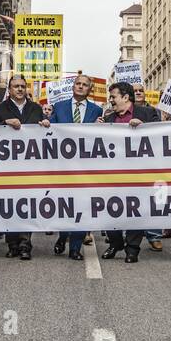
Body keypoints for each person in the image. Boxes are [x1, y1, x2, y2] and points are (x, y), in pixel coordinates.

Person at [99, 81, 159, 264]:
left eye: (113, 97)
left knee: (136, 212)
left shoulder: (148, 114)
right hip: (114, 175)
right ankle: (116, 243)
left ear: (125, 97)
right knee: (110, 210)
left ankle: (132, 249)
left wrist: (144, 128)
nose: (111, 101)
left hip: (140, 174)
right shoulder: (108, 119)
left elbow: (161, 136)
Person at [0, 74, 46, 260]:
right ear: (10, 89)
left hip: (29, 166)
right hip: (6, 167)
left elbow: (43, 131)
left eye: (22, 86)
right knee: (9, 205)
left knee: (27, 205)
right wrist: (4, 123)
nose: (20, 89)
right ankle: (12, 244)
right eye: (16, 86)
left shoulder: (36, 108)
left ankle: (25, 244)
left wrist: (45, 124)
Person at [48, 73, 103, 259]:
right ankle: (63, 236)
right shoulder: (59, 107)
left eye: (85, 85)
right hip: (63, 167)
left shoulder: (96, 111)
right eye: (78, 84)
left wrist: (100, 127)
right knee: (66, 206)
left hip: (85, 168)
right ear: (73, 87)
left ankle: (75, 248)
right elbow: (52, 131)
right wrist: (47, 123)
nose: (80, 86)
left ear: (90, 89)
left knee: (81, 206)